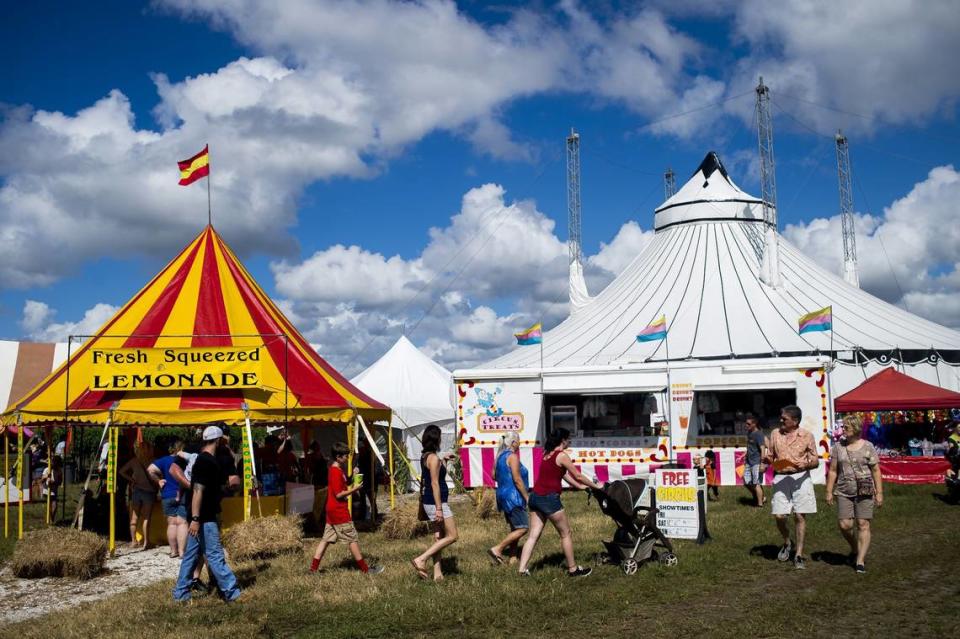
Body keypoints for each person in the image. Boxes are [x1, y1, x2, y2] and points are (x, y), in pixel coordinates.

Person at [517, 427, 603, 577]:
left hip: (535, 497)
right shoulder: (562, 455)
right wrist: (597, 486)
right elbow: (578, 475)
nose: (570, 441)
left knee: (533, 536)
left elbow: (563, 475)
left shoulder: (547, 454)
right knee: (566, 534)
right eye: (568, 439)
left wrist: (581, 488)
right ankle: (573, 569)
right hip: (549, 499)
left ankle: (522, 570)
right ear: (563, 440)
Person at [172, 426, 241, 603]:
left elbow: (207, 489)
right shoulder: (206, 462)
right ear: (218, 441)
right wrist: (196, 519)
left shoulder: (203, 460)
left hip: (199, 517)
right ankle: (232, 592)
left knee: (190, 556)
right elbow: (198, 491)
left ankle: (180, 594)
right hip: (205, 517)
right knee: (215, 556)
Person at [309, 442, 383, 575]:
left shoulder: (337, 469)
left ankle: (313, 569)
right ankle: (366, 570)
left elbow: (344, 483)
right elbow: (339, 494)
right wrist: (355, 489)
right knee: (352, 539)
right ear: (338, 457)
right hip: (338, 511)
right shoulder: (335, 472)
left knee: (326, 539)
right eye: (345, 456)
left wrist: (352, 477)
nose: (347, 458)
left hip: (332, 511)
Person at [825, 414, 884, 574]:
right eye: (843, 427)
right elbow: (832, 470)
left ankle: (860, 560)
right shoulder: (838, 447)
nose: (843, 429)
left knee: (863, 524)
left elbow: (876, 470)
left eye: (846, 427)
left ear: (856, 428)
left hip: (865, 490)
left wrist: (879, 493)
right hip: (844, 490)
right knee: (845, 525)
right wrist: (829, 490)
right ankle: (854, 548)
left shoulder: (868, 446)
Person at [763, 405, 819, 570]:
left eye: (784, 419)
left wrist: (803, 465)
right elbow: (771, 455)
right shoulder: (775, 433)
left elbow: (815, 460)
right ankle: (787, 542)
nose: (781, 420)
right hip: (780, 477)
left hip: (801, 478)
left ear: (795, 421)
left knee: (799, 516)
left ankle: (799, 554)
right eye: (781, 417)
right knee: (779, 516)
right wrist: (767, 461)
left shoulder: (807, 435)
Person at [411, 424, 458, 581]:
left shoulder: (427, 456)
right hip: (436, 503)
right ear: (437, 439)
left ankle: (437, 573)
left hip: (429, 500)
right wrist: (439, 509)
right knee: (452, 536)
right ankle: (421, 559)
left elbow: (434, 473)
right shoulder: (433, 459)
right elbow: (435, 483)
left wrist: (443, 460)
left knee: (439, 536)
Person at [488, 432, 529, 565]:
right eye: (518, 441)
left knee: (515, 527)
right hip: (514, 497)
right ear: (513, 443)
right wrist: (527, 497)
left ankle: (513, 557)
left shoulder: (499, 457)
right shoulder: (512, 457)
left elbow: (493, 476)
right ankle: (498, 549)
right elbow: (517, 480)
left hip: (502, 495)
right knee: (523, 528)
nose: (519, 444)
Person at [148, 439, 189, 558]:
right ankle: (182, 552)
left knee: (171, 524)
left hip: (167, 495)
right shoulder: (185, 460)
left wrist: (158, 480)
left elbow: (150, 469)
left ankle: (173, 551)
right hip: (182, 494)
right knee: (182, 523)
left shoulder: (164, 460)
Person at [119, 440, 158, 551]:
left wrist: (132, 480)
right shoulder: (153, 461)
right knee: (146, 518)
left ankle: (133, 541)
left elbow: (121, 471)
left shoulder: (134, 461)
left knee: (134, 518)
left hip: (136, 490)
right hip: (149, 491)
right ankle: (146, 542)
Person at [743, 414, 766, 507]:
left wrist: (762, 463)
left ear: (754, 424)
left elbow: (763, 448)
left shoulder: (758, 434)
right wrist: (745, 454)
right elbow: (751, 446)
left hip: (756, 462)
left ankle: (760, 504)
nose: (746, 425)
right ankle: (760, 497)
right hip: (749, 461)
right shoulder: (749, 433)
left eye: (748, 424)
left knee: (756, 483)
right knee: (746, 481)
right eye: (746, 423)